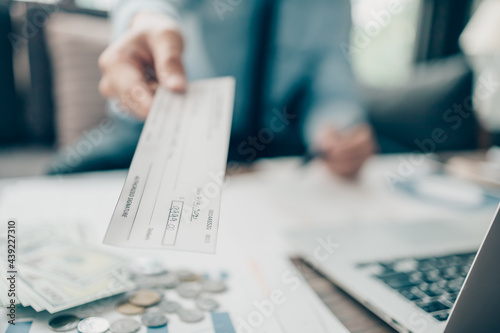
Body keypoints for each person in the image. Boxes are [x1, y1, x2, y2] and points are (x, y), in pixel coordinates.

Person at [48, 0, 375, 178]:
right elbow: (151, 6)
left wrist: (337, 128)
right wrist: (145, 20)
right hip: (163, 128)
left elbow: (330, 74)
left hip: (273, 144)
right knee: (63, 177)